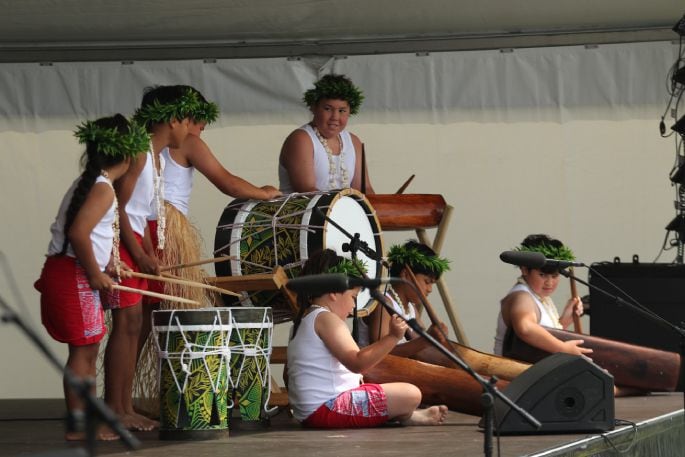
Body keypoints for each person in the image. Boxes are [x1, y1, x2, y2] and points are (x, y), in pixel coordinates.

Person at [34, 114, 148, 440]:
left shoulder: (95, 184)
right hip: (72, 276)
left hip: (69, 272)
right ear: (127, 154)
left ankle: (83, 422)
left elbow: (89, 235)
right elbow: (79, 233)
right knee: (84, 353)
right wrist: (97, 273)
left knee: (86, 351)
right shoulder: (102, 190)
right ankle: (82, 426)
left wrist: (111, 264)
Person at [103, 85, 199, 431]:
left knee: (135, 326)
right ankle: (114, 408)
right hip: (124, 248)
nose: (191, 130)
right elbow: (120, 208)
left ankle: (124, 406)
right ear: (172, 120)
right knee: (125, 326)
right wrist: (140, 253)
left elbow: (143, 213)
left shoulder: (156, 156)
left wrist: (151, 252)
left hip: (138, 246)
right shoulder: (141, 153)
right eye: (188, 121)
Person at [287, 249, 448, 428]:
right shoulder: (326, 319)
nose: (353, 306)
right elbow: (357, 363)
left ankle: (409, 416)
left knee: (384, 391)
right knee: (411, 394)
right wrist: (393, 337)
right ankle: (406, 415)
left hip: (313, 412)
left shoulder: (304, 319)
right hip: (327, 410)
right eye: (353, 297)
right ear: (334, 292)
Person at [493, 234, 591, 357]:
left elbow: (540, 338)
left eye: (554, 276)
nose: (549, 282)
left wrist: (564, 321)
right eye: (542, 275)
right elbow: (526, 328)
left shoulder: (539, 297)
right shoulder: (522, 296)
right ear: (524, 269)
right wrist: (563, 348)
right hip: (512, 374)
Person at [279, 74, 375, 194]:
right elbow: (307, 192)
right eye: (328, 109)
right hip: (306, 212)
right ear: (314, 107)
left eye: (342, 111)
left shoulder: (353, 141)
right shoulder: (301, 139)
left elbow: (364, 189)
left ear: (350, 111)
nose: (335, 117)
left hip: (344, 211)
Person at [363, 240, 450, 355]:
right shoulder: (383, 304)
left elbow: (417, 346)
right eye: (427, 281)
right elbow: (380, 355)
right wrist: (426, 340)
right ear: (405, 274)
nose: (430, 289)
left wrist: (436, 337)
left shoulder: (411, 309)